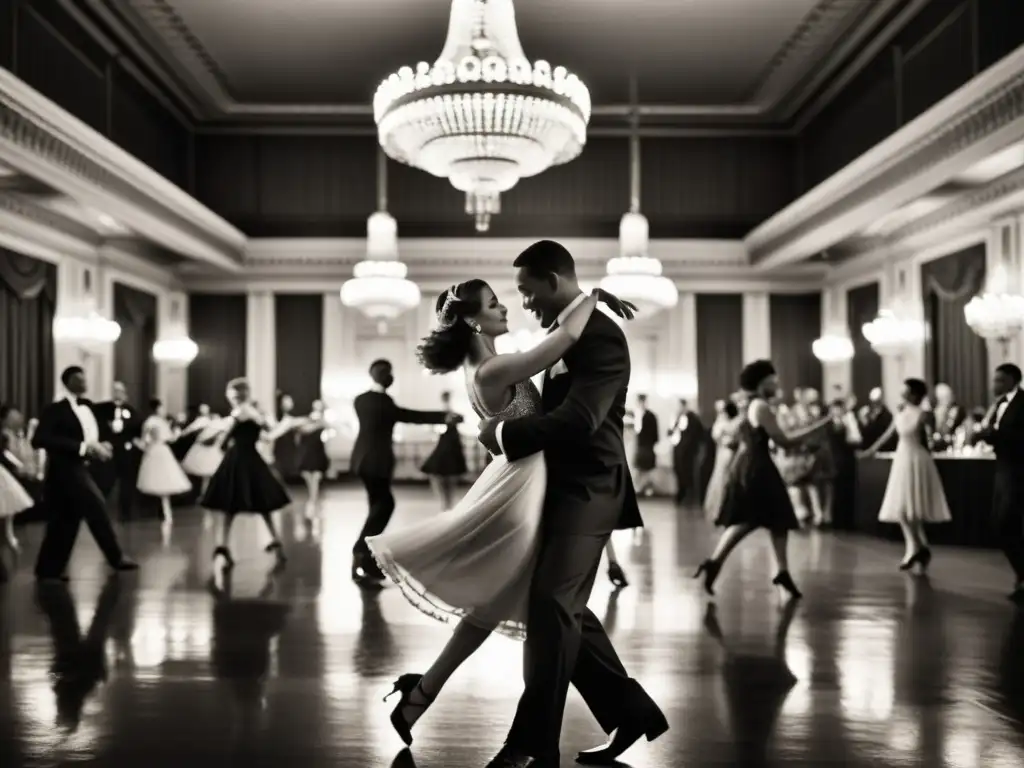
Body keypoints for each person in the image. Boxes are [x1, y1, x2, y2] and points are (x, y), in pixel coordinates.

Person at [477, 241, 666, 767]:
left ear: (554, 279)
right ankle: (632, 712)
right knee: (564, 610)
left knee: (551, 607)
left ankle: (532, 745)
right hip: (563, 491)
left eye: (526, 290)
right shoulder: (573, 334)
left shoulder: (601, 336)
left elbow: (581, 420)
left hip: (590, 490)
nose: (524, 302)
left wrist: (503, 434)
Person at [693, 360, 828, 601]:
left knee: (776, 519)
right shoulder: (761, 407)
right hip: (757, 467)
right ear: (762, 382)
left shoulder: (753, 405)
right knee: (760, 519)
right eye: (772, 379)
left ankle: (780, 571)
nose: (776, 383)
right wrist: (817, 428)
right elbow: (784, 441)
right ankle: (720, 563)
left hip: (753, 464)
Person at [349, 359, 457, 585]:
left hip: (361, 460)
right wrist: (442, 416)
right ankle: (361, 553)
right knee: (385, 505)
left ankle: (368, 561)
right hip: (378, 461)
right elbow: (409, 415)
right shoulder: (384, 402)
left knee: (376, 506)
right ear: (386, 377)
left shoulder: (360, 400)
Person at [32, 366, 138, 582]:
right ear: (67, 382)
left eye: (84, 377)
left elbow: (96, 432)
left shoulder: (89, 406)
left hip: (83, 467)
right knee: (96, 507)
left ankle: (47, 569)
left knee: (65, 519)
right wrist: (81, 447)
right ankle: (115, 557)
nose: (84, 382)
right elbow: (39, 439)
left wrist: (103, 444)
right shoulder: (55, 409)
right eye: (78, 379)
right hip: (65, 469)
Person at [859, 378, 951, 571]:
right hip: (902, 458)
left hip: (917, 459)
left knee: (913, 507)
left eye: (906, 390)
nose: (902, 393)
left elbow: (934, 439)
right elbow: (888, 434)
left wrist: (933, 424)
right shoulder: (901, 411)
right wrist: (870, 451)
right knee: (902, 507)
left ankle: (915, 549)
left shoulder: (925, 414)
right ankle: (918, 547)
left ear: (915, 394)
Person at [201, 378, 291, 567]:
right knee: (262, 503)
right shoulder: (255, 412)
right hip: (252, 458)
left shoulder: (238, 412)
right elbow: (267, 432)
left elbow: (222, 437)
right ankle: (275, 540)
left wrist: (212, 436)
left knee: (229, 505)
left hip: (237, 459)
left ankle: (223, 545)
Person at [973, 363, 1024, 602]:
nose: (994, 385)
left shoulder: (1022, 403)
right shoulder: (999, 405)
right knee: (999, 523)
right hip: (1002, 470)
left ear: (1013, 380)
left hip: (1018, 471)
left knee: (1007, 522)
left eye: (1000, 381)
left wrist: (991, 435)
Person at [135, 398, 193, 525]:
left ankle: (163, 511)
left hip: (155, 450)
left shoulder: (149, 422)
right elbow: (170, 439)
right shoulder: (157, 422)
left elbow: (145, 440)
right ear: (157, 408)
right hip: (160, 450)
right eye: (161, 408)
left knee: (159, 480)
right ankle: (165, 512)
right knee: (163, 480)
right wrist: (177, 431)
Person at [92, 381, 143, 520]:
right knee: (105, 481)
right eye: (115, 390)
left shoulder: (130, 411)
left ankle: (126, 513)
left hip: (126, 452)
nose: (118, 393)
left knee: (127, 483)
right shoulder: (102, 409)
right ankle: (98, 511)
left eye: (120, 390)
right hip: (108, 451)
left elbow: (136, 429)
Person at [419, 391, 468, 512]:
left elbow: (458, 420)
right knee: (444, 474)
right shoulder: (446, 412)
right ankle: (446, 502)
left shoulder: (450, 412)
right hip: (447, 444)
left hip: (450, 444)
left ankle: (447, 503)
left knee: (448, 474)